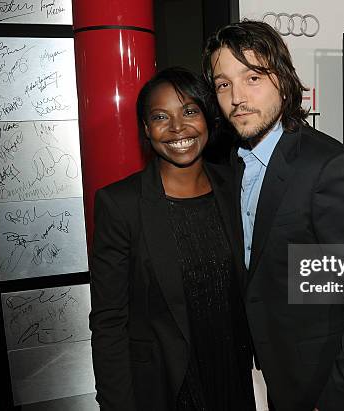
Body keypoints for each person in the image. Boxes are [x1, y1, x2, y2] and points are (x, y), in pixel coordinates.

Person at [202, 21, 344, 411]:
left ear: (284, 81)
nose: (237, 97)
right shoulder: (234, 162)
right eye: (224, 84)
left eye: (253, 77)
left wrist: (339, 401)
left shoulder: (330, 167)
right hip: (281, 377)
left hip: (330, 385)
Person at [89, 67, 255, 411]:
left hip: (232, 379)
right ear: (146, 129)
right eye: (161, 117)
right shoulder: (120, 205)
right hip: (165, 389)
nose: (178, 127)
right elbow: (109, 322)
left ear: (208, 118)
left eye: (190, 111)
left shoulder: (236, 187)